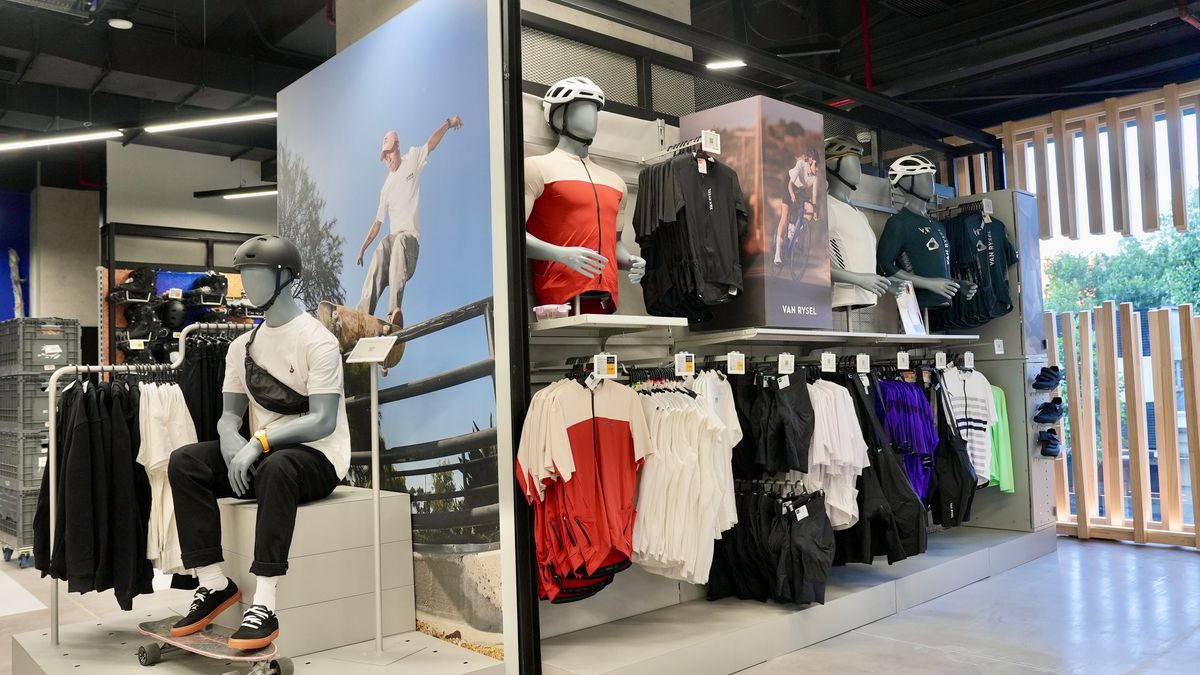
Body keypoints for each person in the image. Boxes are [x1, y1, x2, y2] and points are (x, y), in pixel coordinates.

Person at [165, 235, 350, 650]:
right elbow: (229, 415)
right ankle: (213, 583)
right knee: (185, 462)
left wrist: (258, 442)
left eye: (257, 273)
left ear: (285, 277)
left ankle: (264, 603)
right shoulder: (240, 347)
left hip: (319, 458)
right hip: (265, 455)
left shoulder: (318, 341)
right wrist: (231, 437)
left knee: (277, 467)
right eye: (243, 274)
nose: (247, 283)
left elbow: (323, 420)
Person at [355, 115, 464, 328]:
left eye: (389, 153)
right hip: (393, 250)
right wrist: (362, 249)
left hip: (409, 248)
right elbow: (377, 224)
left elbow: (431, 143)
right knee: (383, 245)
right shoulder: (386, 188)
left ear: (398, 146)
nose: (387, 159)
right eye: (384, 156)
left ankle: (394, 313)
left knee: (399, 241)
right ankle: (362, 315)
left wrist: (449, 123)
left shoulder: (412, 159)